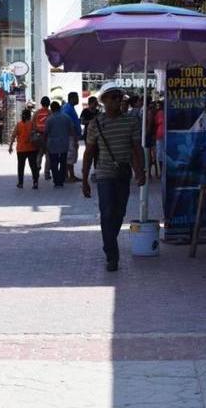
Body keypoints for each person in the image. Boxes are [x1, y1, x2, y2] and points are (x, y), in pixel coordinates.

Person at [82, 82, 146, 272]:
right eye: (113, 97)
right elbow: (89, 152)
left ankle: (109, 240)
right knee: (107, 212)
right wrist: (84, 180)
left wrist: (140, 172)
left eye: (119, 97)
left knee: (119, 213)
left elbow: (136, 149)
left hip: (123, 173)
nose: (117, 101)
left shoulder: (131, 122)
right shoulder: (96, 124)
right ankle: (112, 253)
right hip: (104, 174)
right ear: (104, 101)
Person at [45, 101, 75, 188]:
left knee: (54, 163)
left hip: (53, 144)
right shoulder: (66, 117)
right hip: (64, 143)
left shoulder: (49, 119)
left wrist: (44, 143)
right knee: (63, 162)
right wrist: (75, 141)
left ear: (52, 109)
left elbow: (46, 132)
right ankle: (61, 180)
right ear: (59, 108)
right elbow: (72, 130)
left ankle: (56, 180)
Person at [9, 108, 40, 189]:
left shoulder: (19, 124)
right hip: (32, 148)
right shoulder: (33, 124)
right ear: (30, 116)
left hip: (21, 149)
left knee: (21, 167)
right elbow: (37, 133)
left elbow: (13, 135)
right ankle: (35, 182)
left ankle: (20, 183)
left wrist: (10, 146)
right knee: (33, 166)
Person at [62, 91, 82, 183]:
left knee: (70, 156)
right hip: (70, 136)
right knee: (70, 156)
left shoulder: (69, 108)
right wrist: (74, 139)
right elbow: (71, 125)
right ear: (72, 98)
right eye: (77, 97)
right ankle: (70, 176)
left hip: (71, 136)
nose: (78, 99)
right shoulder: (68, 109)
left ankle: (68, 175)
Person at [32, 96, 52, 180]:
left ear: (41, 103)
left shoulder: (36, 113)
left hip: (38, 136)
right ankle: (47, 174)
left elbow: (33, 124)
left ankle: (37, 168)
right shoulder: (51, 113)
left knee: (39, 153)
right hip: (48, 137)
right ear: (49, 104)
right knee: (48, 155)